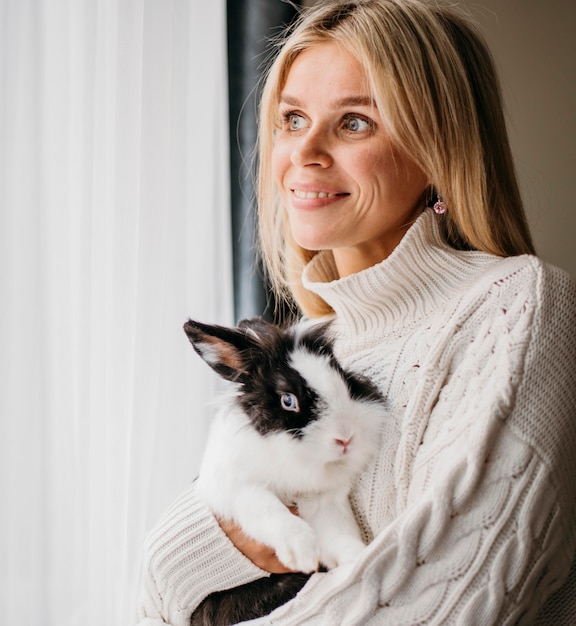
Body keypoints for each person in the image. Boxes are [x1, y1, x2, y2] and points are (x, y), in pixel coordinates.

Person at [136, 1, 576, 624]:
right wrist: (192, 546)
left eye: (354, 123)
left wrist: (196, 548)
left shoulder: (517, 308)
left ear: (438, 151)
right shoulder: (306, 350)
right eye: (292, 118)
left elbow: (443, 604)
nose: (304, 152)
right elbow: (155, 594)